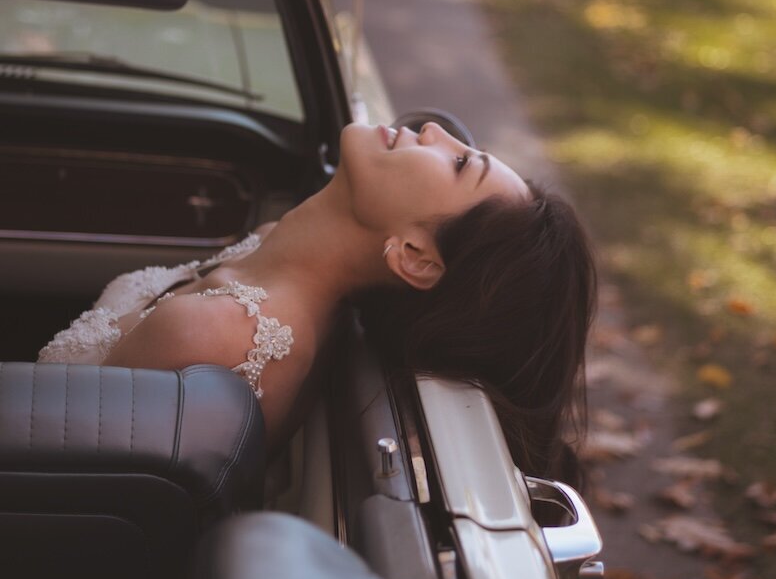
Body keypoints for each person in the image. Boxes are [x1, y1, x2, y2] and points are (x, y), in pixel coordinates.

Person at [38, 121, 596, 479]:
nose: (432, 130)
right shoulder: (273, 250)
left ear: (416, 257)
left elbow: (57, 477)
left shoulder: (221, 336)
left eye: (458, 164)